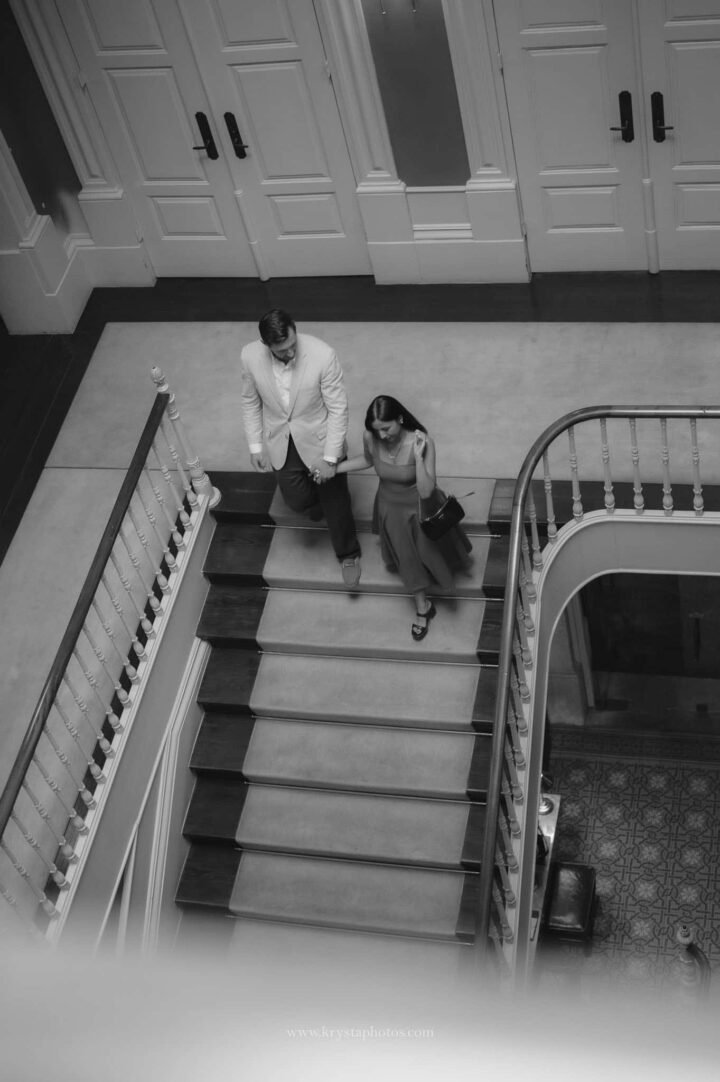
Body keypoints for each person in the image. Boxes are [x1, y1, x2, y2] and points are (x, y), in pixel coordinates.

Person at [240, 308, 361, 587]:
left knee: (336, 500)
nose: (291, 353)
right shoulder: (249, 356)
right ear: (266, 345)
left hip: (320, 438)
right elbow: (249, 402)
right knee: (294, 499)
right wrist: (256, 445)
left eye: (293, 345)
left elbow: (338, 409)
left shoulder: (323, 354)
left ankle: (349, 553)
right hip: (281, 438)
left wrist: (330, 460)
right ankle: (315, 503)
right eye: (282, 350)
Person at [337, 395, 472, 640]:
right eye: (377, 431)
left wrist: (419, 458)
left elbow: (425, 490)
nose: (382, 436)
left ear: (400, 418)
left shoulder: (422, 441)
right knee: (406, 558)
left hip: (420, 505)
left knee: (429, 551)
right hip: (390, 507)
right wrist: (335, 469)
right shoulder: (371, 436)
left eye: (386, 429)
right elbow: (369, 460)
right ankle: (423, 608)